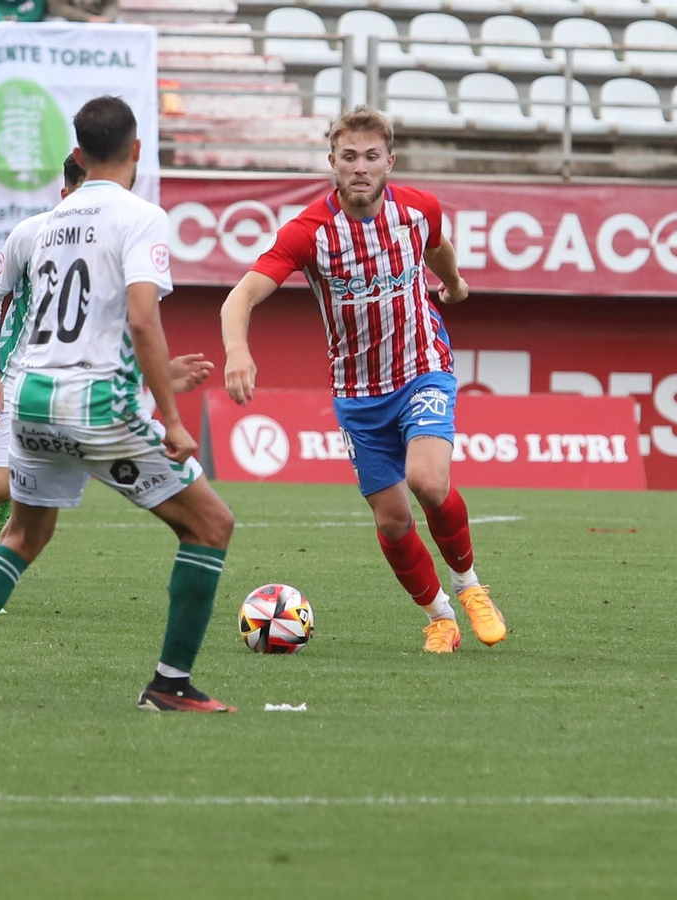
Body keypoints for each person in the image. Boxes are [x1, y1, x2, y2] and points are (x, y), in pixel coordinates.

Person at [0, 96, 237, 713]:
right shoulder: (141, 217)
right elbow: (142, 318)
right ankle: (169, 685)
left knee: (23, 535)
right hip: (97, 405)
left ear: (79, 156)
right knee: (211, 525)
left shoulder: (42, 225)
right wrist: (170, 416)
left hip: (30, 403)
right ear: (137, 150)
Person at [219, 105, 506, 654]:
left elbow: (438, 246)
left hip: (423, 367)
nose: (360, 167)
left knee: (427, 482)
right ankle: (439, 617)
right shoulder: (309, 232)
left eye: (371, 157)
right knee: (394, 520)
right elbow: (242, 296)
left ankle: (469, 586)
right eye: (348, 156)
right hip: (357, 394)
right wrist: (238, 350)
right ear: (331, 162)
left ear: (389, 162)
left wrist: (456, 285)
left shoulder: (419, 210)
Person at [0, 154, 214, 539]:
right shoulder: (31, 233)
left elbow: (128, 328)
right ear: (64, 193)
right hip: (19, 376)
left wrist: (158, 374)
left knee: (33, 512)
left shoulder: (125, 239)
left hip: (81, 386)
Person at [50, 0, 118, 22]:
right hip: (70, 20)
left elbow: (112, 5)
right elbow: (57, 8)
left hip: (100, 20)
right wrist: (87, 18)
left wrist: (107, 18)